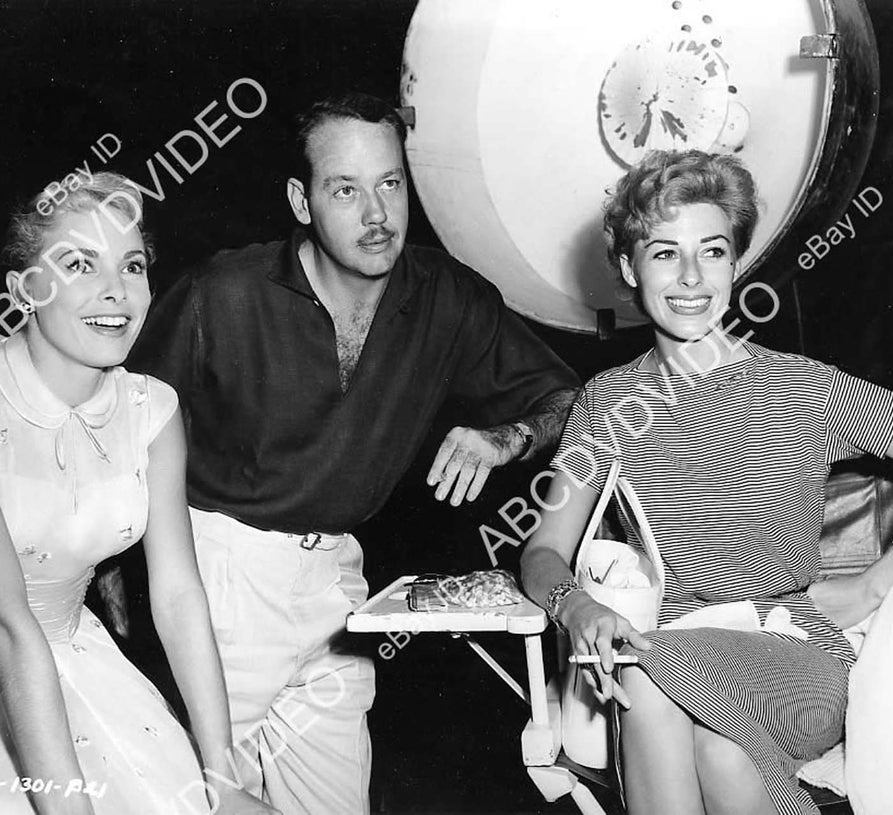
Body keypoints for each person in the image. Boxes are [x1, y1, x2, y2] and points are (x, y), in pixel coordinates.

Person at [129, 91, 579, 814]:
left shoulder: (445, 297)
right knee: (202, 802)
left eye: (390, 183)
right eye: (346, 188)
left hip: (338, 584)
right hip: (220, 576)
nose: (377, 214)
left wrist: (505, 437)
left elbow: (570, 400)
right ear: (301, 201)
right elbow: (122, 426)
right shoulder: (224, 293)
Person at [521, 149, 893, 815]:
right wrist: (578, 606)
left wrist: (878, 579)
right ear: (629, 268)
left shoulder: (805, 389)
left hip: (792, 652)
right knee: (721, 753)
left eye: (712, 251)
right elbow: (541, 552)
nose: (691, 276)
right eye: (664, 254)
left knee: (645, 671)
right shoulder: (606, 403)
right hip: (665, 655)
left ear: (735, 263)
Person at [0, 173, 276, 815]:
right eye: (79, 264)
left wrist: (222, 776)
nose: (116, 290)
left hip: (83, 660)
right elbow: (8, 624)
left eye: (131, 265)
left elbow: (178, 593)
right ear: (25, 290)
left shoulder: (153, 407)